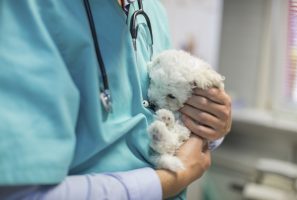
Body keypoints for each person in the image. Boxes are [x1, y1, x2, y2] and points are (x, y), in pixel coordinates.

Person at [0, 0, 232, 199]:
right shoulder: (28, 10)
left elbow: (159, 110)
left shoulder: (151, 10)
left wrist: (210, 125)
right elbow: (22, 195)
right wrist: (169, 180)